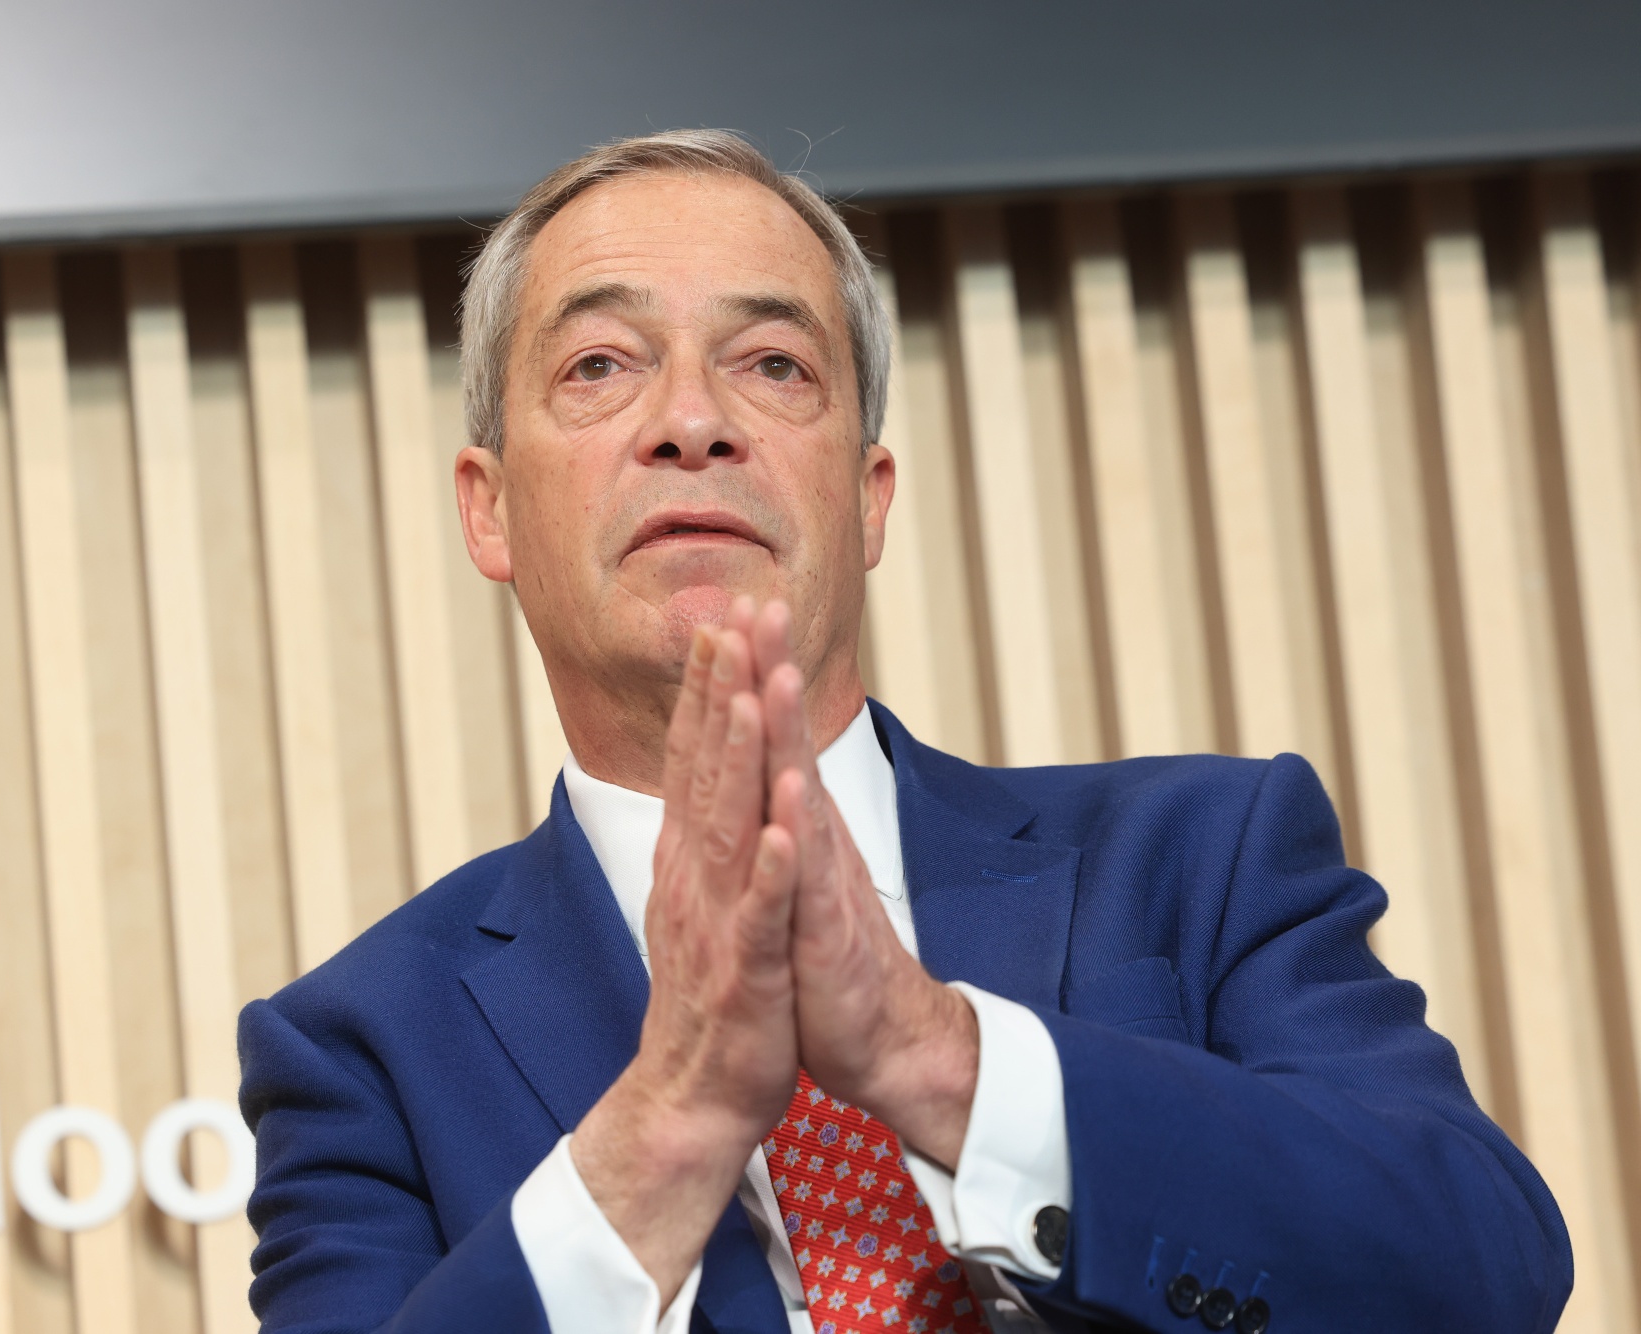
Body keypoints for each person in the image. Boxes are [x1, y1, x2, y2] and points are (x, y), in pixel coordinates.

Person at [236, 130, 1569, 1334]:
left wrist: (942, 1056)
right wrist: (670, 1128)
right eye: (600, 364)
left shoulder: (1202, 858)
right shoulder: (362, 1049)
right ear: (489, 510)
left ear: (870, 496)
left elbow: (1482, 1269)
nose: (692, 422)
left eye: (771, 364)